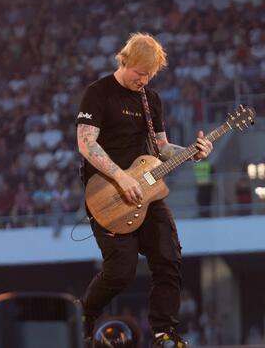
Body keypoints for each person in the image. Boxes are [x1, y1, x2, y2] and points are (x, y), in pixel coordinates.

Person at [76, 33, 213, 348]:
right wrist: (121, 177)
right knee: (120, 271)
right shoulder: (98, 93)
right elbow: (86, 142)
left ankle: (164, 332)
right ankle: (84, 315)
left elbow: (162, 147)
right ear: (123, 61)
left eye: (149, 75)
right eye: (139, 73)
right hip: (109, 195)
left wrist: (192, 151)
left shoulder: (150, 99)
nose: (144, 79)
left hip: (149, 192)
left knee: (169, 257)